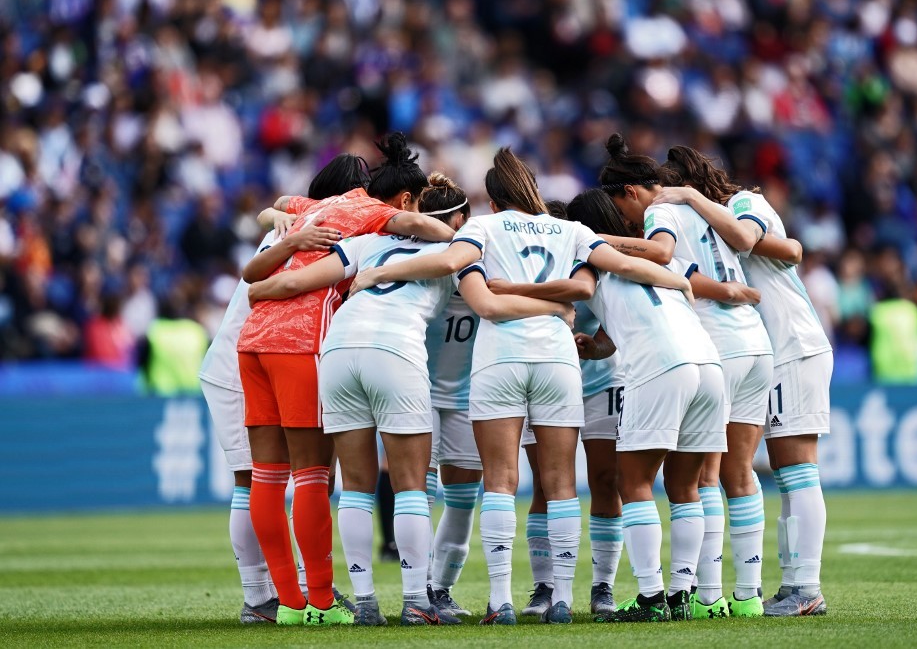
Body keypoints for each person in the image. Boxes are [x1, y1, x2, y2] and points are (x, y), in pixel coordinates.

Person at [346, 147, 697, 625]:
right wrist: (676, 282)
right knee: (561, 486)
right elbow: (626, 267)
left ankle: (500, 601)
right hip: (557, 358)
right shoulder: (570, 229)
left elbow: (450, 263)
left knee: (500, 483)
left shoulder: (483, 229)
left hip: (501, 359)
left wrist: (381, 270)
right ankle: (561, 603)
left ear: (493, 201)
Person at [248, 171, 573, 626]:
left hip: (340, 352)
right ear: (457, 219)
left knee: (357, 487)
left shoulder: (368, 243)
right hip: (401, 359)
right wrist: (557, 307)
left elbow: (288, 283)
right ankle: (418, 600)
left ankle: (364, 603)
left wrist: (256, 289)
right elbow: (494, 301)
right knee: (412, 488)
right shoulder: (461, 255)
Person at [235, 133, 456, 627]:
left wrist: (282, 227)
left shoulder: (317, 205)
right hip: (303, 342)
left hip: (252, 341)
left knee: (267, 477)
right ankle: (316, 600)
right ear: (401, 197)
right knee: (314, 476)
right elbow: (421, 226)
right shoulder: (373, 218)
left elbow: (273, 209)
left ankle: (285, 603)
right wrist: (451, 233)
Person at [597, 134, 773, 619]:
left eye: (623, 211)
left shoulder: (662, 212)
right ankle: (747, 596)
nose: (626, 222)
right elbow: (756, 245)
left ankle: (703, 595)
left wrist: (597, 241)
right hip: (756, 345)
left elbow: (659, 255)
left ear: (632, 192)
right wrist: (733, 290)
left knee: (703, 478)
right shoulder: (711, 209)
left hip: (713, 344)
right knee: (736, 475)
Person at [657, 144, 833, 616]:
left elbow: (775, 245)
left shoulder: (742, 205)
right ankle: (795, 582)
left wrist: (692, 200)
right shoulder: (700, 229)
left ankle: (805, 586)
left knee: (798, 469)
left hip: (794, 344)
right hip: (771, 349)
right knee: (784, 469)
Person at [197, 153, 367, 623]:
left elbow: (270, 208)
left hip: (249, 355)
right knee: (254, 478)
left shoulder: (299, 221)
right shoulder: (318, 230)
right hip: (244, 362)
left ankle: (292, 594)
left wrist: (277, 215)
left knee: (277, 479)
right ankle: (260, 598)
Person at [510, 200, 625, 618]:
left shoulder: (594, 266)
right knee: (544, 482)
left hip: (599, 382)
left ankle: (603, 587)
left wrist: (596, 347)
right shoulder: (530, 265)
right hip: (541, 379)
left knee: (606, 479)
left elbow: (622, 315)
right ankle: (546, 587)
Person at [421, 178, 484, 618]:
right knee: (441, 497)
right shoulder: (418, 255)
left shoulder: (479, 255)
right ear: (461, 219)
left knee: (455, 497)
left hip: (457, 394)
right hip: (421, 391)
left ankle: (435, 591)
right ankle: (426, 591)